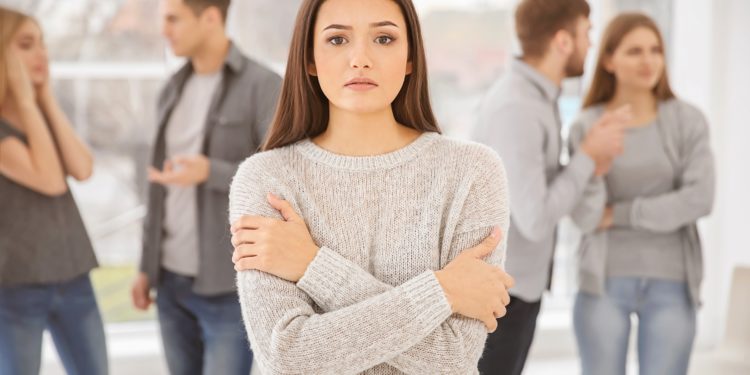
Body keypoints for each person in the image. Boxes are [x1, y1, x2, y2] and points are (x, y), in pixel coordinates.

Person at [228, 0, 514, 373]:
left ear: (411, 57)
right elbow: (288, 355)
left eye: (383, 38)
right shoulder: (266, 178)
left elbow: (453, 356)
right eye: (337, 40)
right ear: (309, 60)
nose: (360, 58)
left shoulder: (472, 172)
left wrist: (313, 266)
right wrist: (442, 290)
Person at [473, 0, 630, 373]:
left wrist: (585, 165)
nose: (591, 45)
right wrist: (587, 157)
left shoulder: (535, 97)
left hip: (516, 288)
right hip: (503, 295)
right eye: (586, 33)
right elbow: (536, 217)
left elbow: (530, 186)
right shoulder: (519, 107)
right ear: (563, 41)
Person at [129, 0, 281, 373]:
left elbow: (280, 183)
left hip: (227, 287)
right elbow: (157, 188)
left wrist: (210, 172)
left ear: (211, 18)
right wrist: (146, 267)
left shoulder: (264, 87)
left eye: (173, 19)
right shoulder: (171, 90)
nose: (164, 29)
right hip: (169, 281)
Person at [569, 13, 715, 375]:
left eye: (655, 50)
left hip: (673, 281)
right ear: (609, 60)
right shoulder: (588, 125)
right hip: (603, 283)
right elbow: (586, 216)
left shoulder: (688, 121)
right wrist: (596, 162)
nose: (648, 61)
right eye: (635, 51)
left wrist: (618, 215)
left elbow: (699, 198)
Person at [0, 7, 108, 375]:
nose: (41, 54)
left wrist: (44, 99)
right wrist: (29, 102)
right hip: (17, 286)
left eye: (43, 44)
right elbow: (50, 179)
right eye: (26, 45)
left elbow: (82, 167)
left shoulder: (40, 114)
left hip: (74, 274)